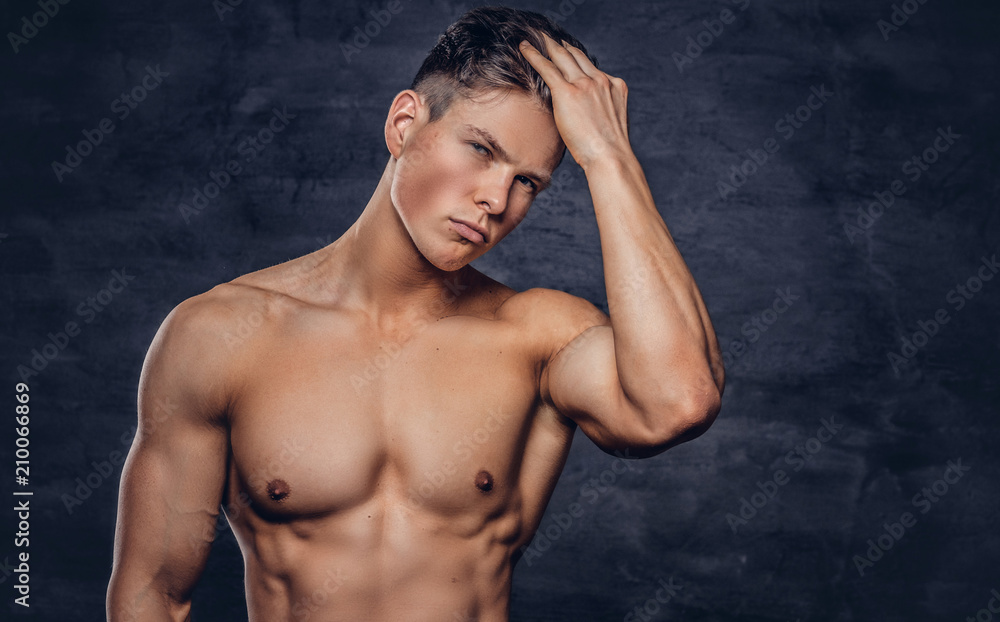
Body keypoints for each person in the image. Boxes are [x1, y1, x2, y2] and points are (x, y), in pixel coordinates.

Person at [106, 6, 724, 621]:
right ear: (405, 124)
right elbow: (152, 594)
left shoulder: (538, 337)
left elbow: (678, 401)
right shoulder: (220, 336)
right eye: (481, 149)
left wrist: (610, 158)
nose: (495, 199)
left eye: (528, 182)